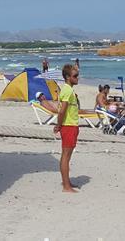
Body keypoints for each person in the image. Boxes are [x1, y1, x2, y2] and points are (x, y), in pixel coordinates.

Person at [55, 64, 80, 193]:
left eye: (77, 75)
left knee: (67, 156)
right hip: (68, 126)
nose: (77, 78)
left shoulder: (68, 90)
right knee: (66, 156)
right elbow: (62, 110)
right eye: (75, 76)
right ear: (67, 77)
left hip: (71, 125)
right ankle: (66, 186)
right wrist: (59, 125)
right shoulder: (67, 90)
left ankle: (67, 182)